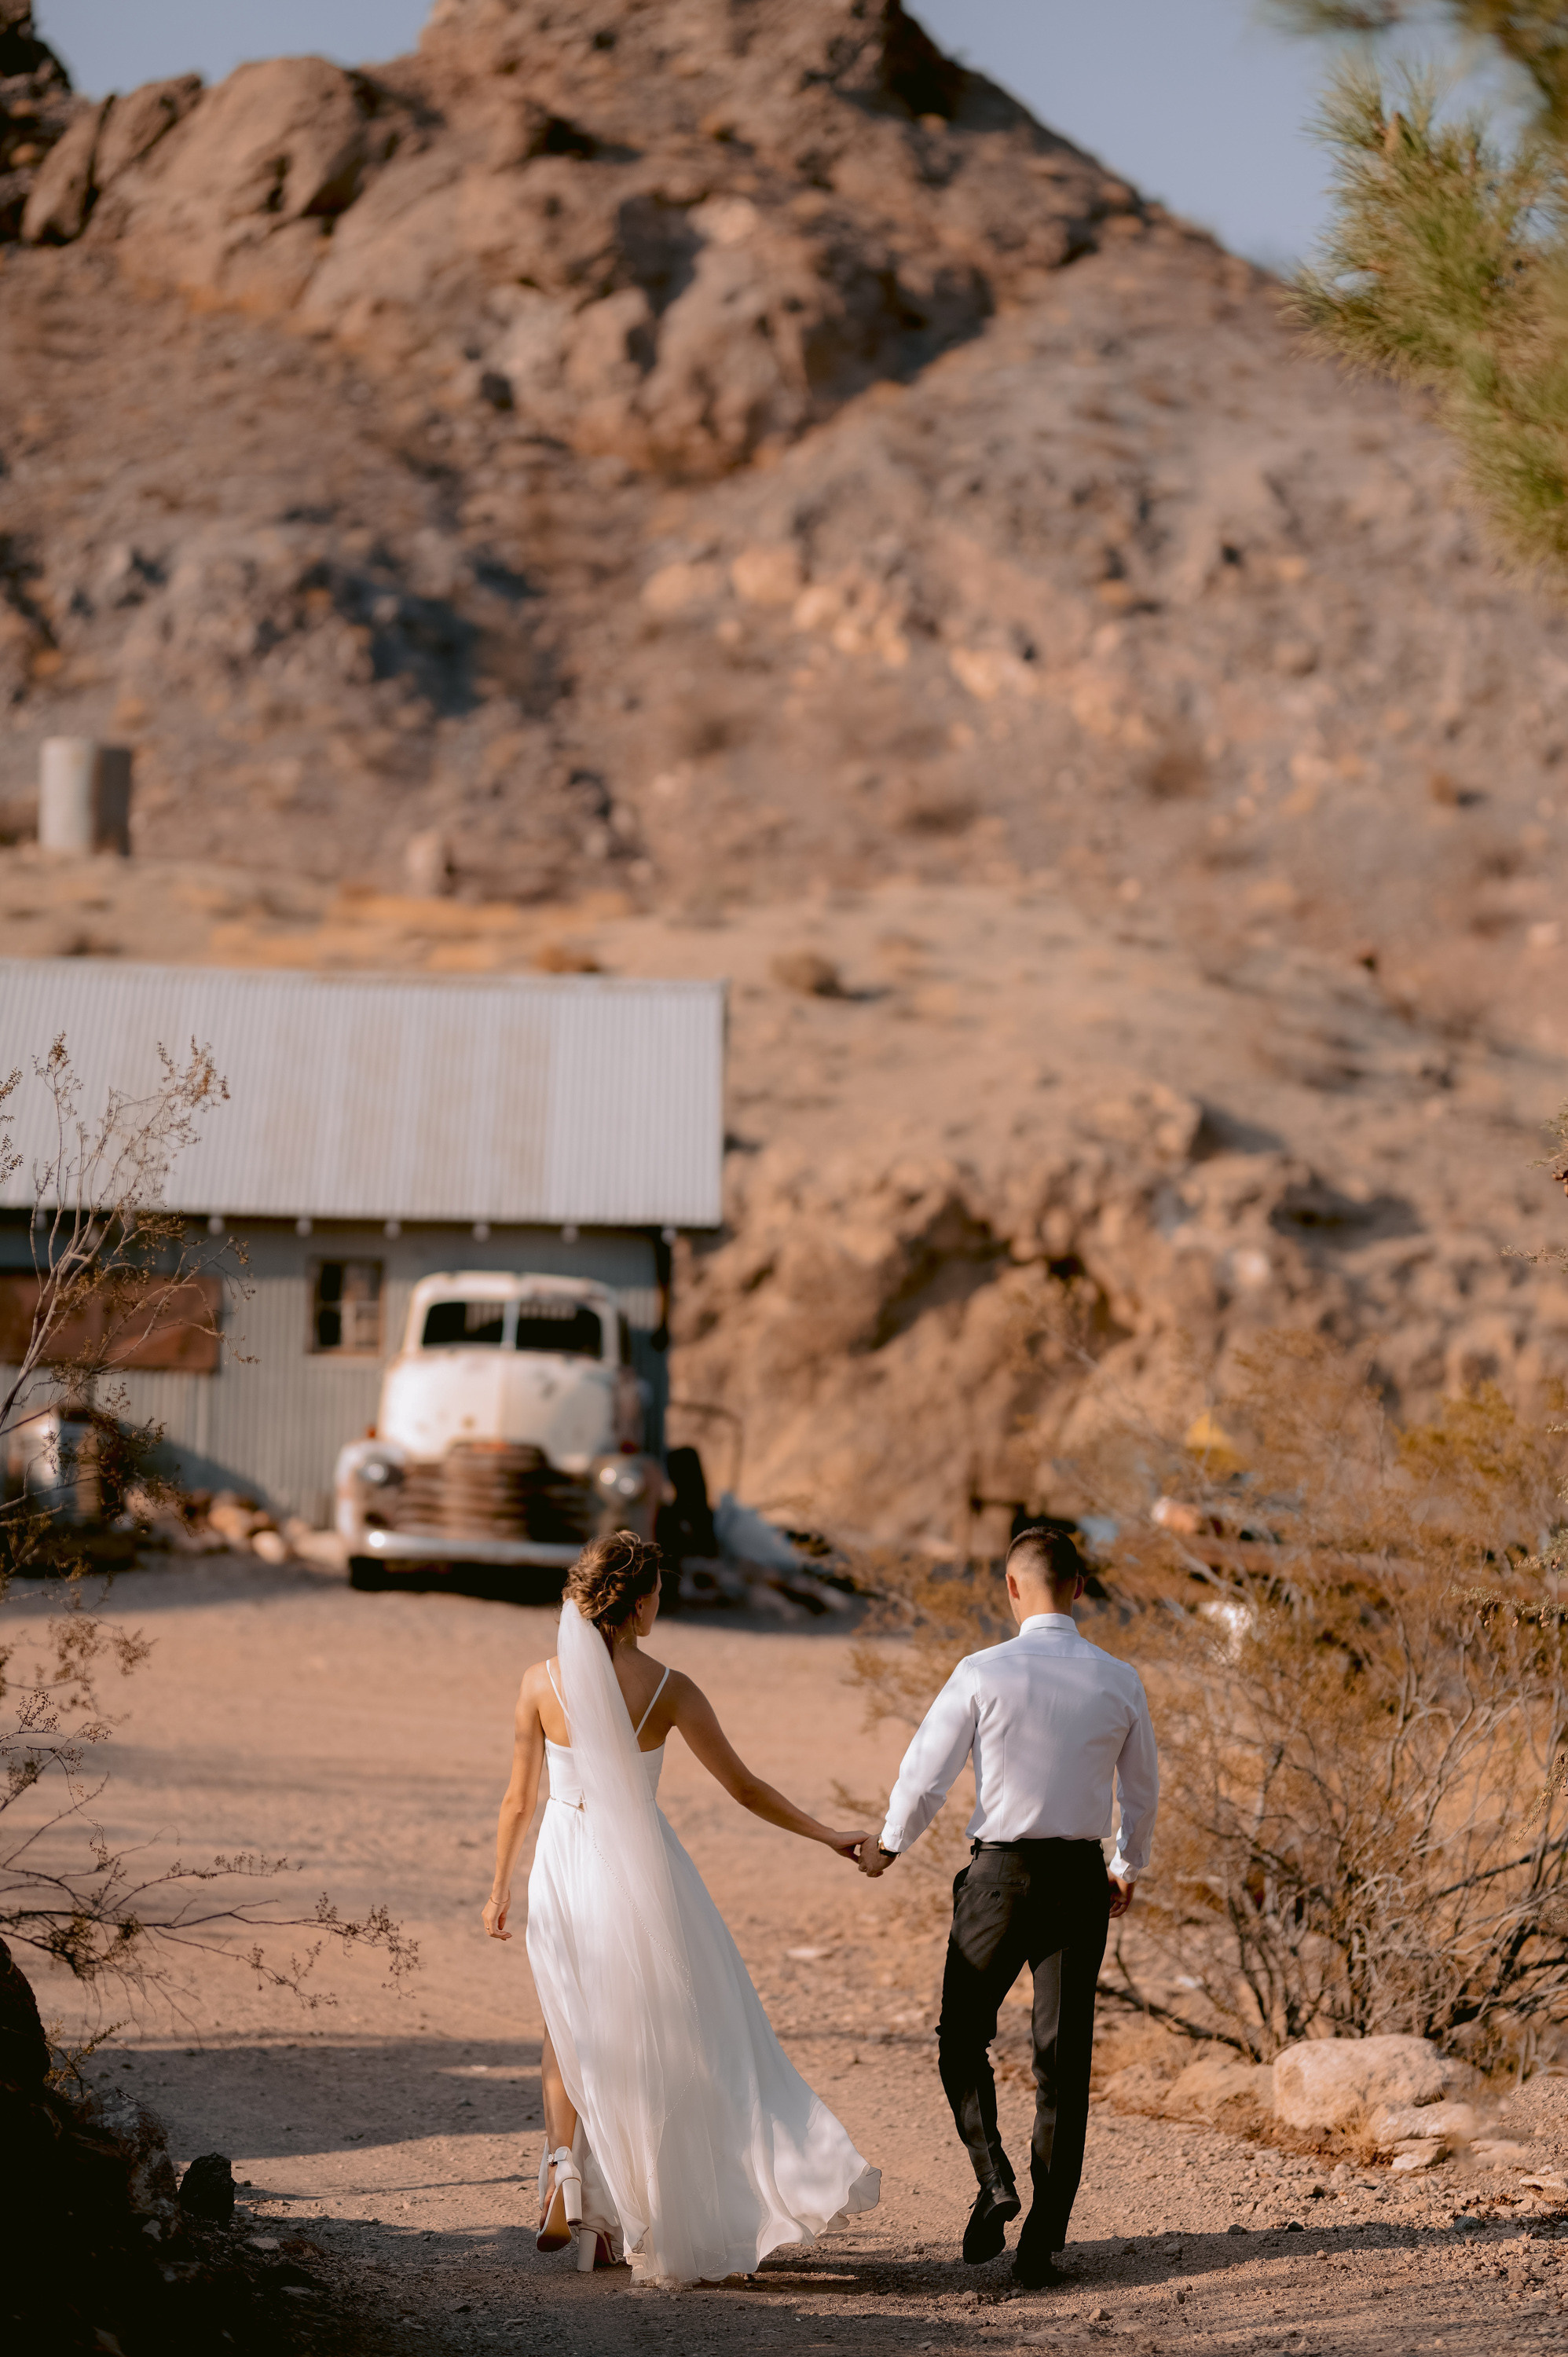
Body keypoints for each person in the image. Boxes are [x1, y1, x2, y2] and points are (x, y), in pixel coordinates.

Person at [482, 1530, 881, 2283]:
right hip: (644, 1874)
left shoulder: (539, 1682)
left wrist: (499, 1886)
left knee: (568, 2028)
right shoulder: (670, 1689)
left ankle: (569, 2176)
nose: (662, 1606)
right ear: (635, 1607)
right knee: (665, 2036)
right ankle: (632, 2210)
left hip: (563, 1867)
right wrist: (828, 1834)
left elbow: (516, 1799)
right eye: (658, 1595)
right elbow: (746, 1788)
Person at [859, 1526, 1158, 2289]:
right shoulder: (1119, 1678)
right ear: (1081, 1590)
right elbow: (1143, 1791)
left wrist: (889, 1847)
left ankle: (993, 2179)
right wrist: (1125, 1866)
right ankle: (1041, 2247)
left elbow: (925, 1774)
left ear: (1010, 1587)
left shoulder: (981, 1671)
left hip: (999, 1879)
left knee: (961, 2037)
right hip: (1080, 1882)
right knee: (1063, 2061)